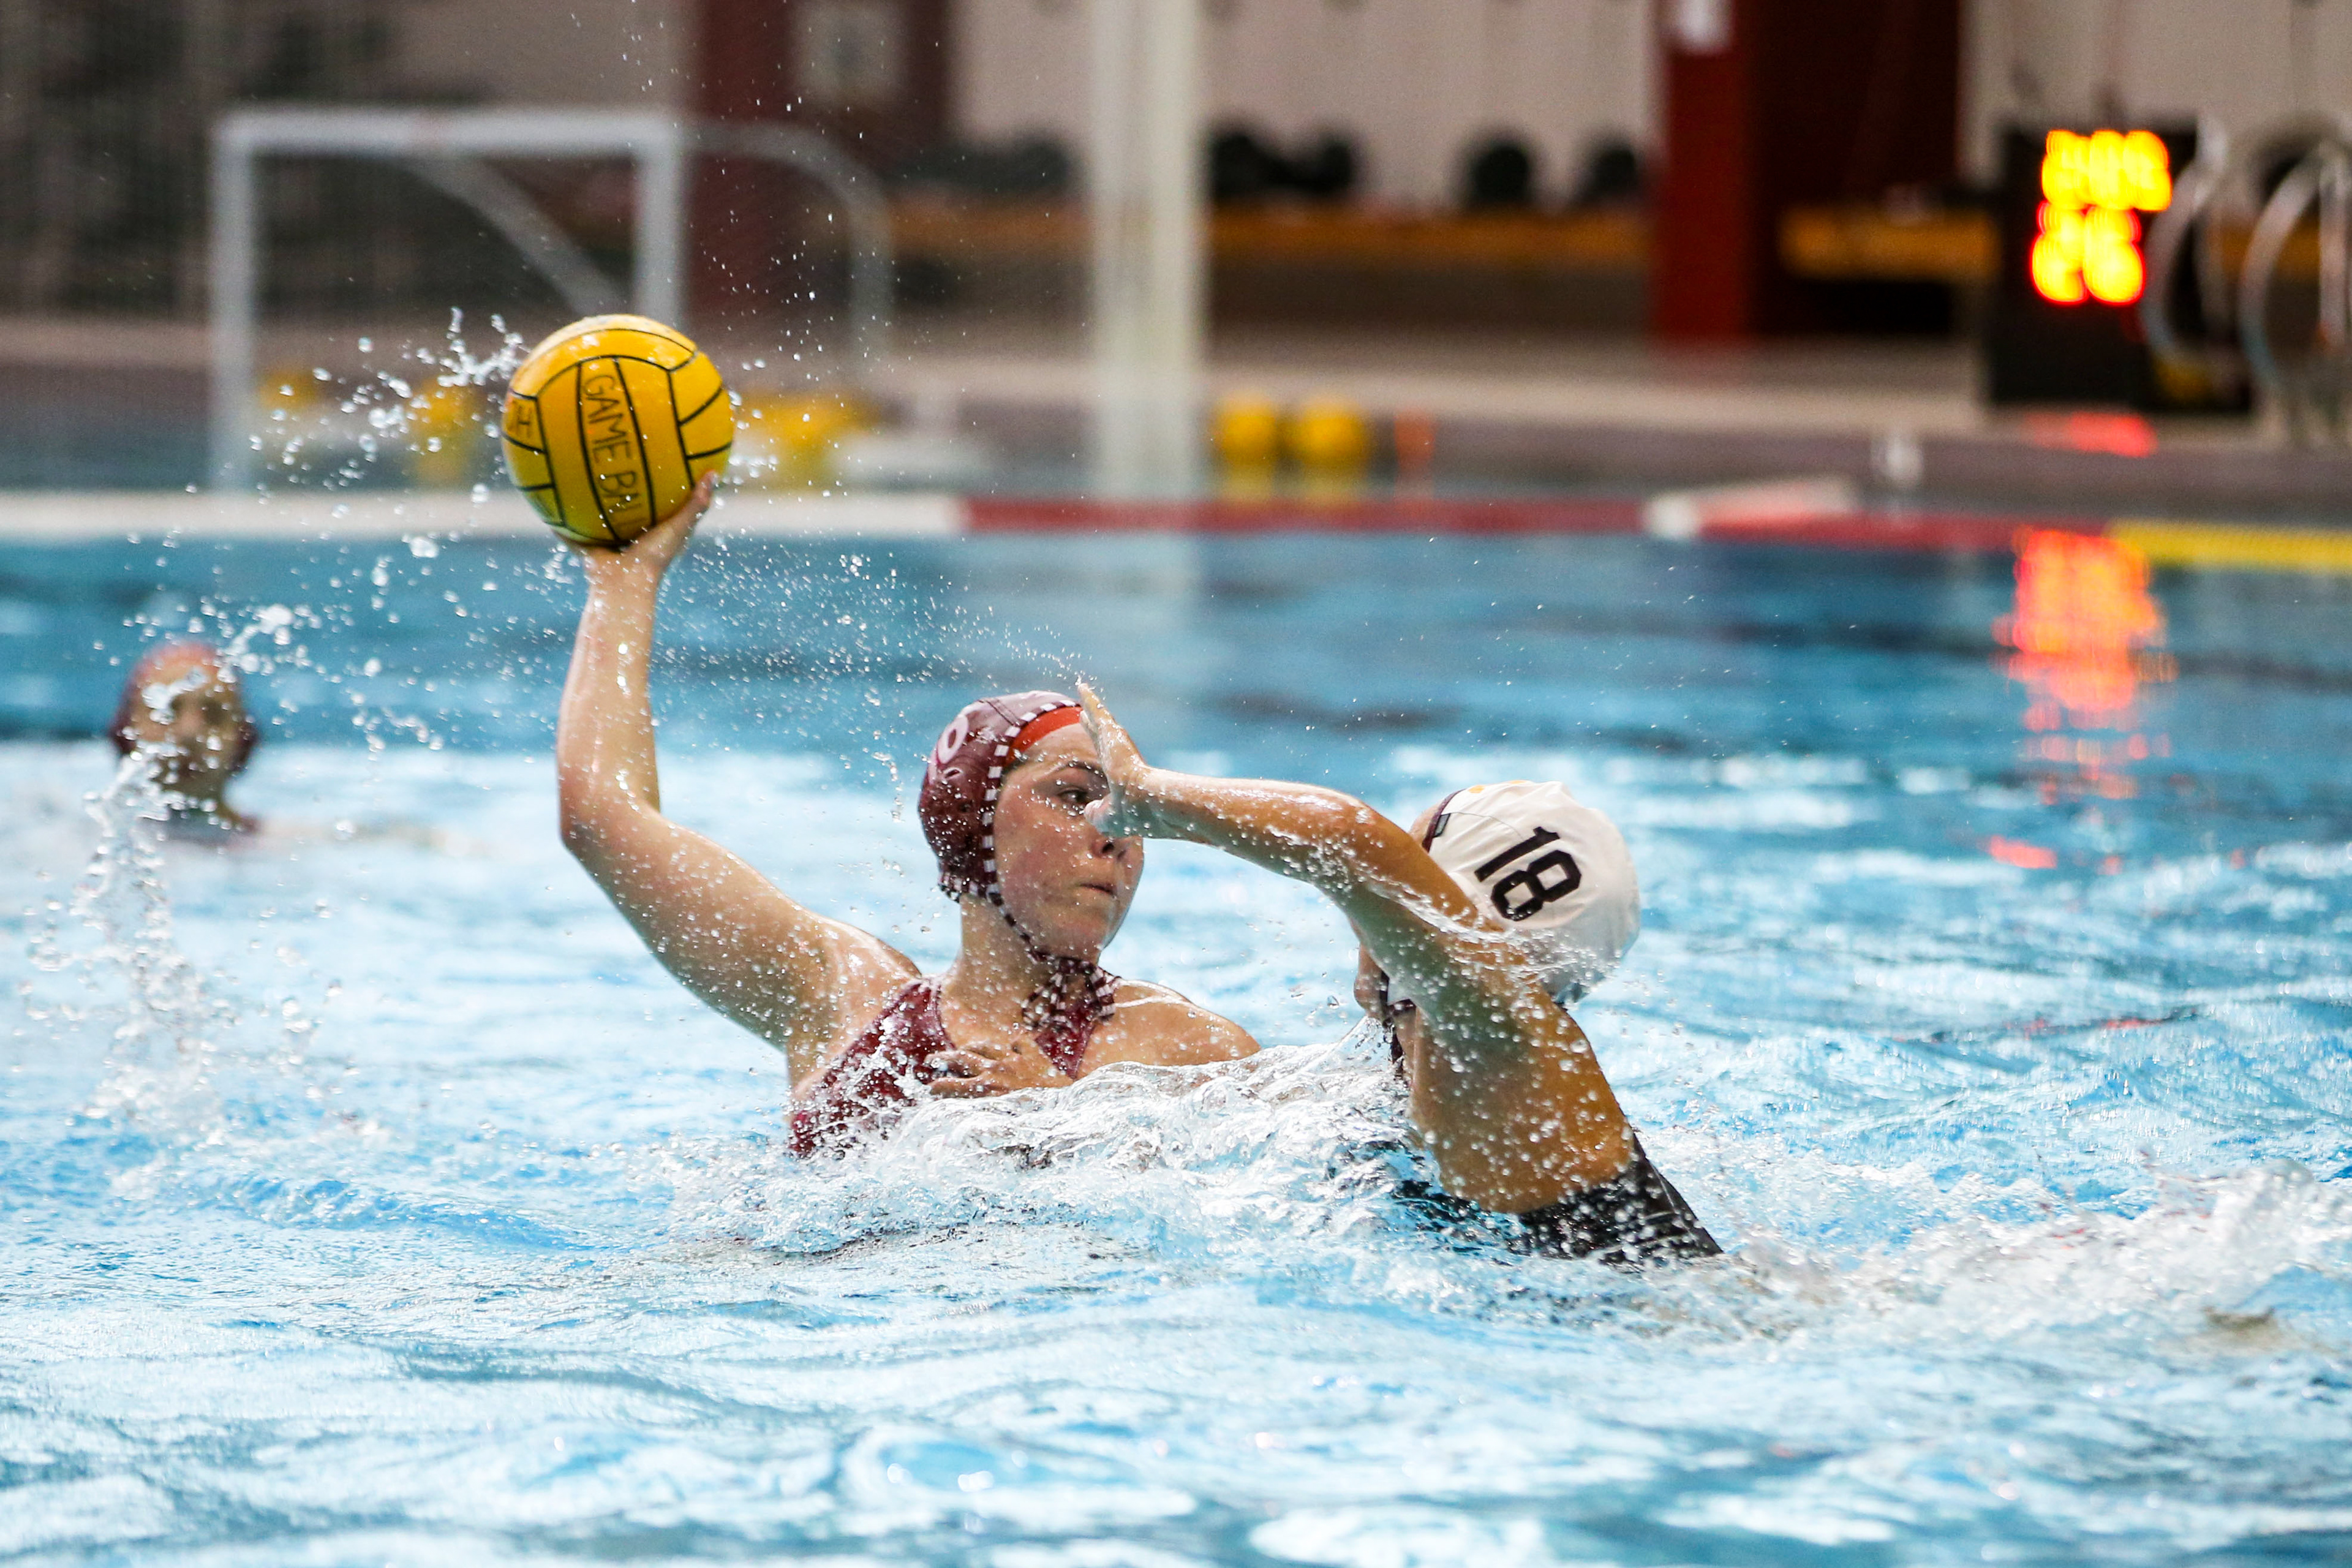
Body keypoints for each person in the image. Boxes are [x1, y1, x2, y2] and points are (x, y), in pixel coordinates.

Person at [554, 476, 1257, 1153]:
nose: (1116, 838)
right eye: (1076, 795)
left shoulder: (1187, 1052)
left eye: (1135, 815)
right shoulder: (839, 996)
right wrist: (626, 577)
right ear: (970, 818)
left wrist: (1066, 1121)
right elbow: (602, 820)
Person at [1077, 685, 1720, 1269]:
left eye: (1410, 874)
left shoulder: (1493, 1049)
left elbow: (1351, 843)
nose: (1366, 924)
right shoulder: (1476, 1068)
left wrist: (1151, 796)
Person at [110, 640, 263, 840]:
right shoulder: (74, 843)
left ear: (243, 741)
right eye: (166, 712)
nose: (189, 735)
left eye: (214, 715)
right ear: (125, 732)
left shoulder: (285, 847)